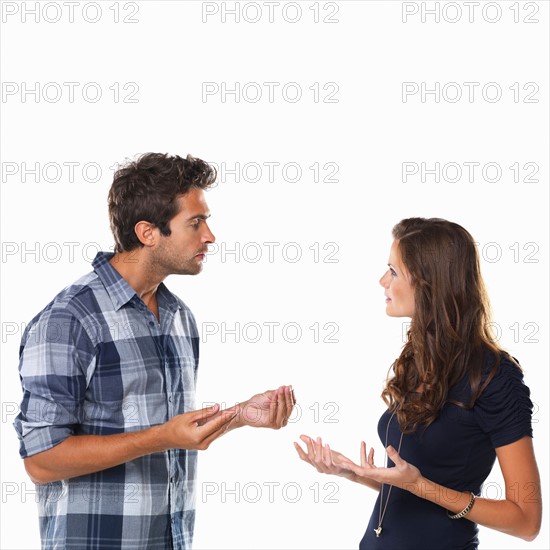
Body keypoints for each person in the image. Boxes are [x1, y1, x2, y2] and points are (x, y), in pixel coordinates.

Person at [14, 152, 295, 550]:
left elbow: (171, 433)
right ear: (148, 232)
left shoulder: (180, 317)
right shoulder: (70, 321)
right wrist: (161, 437)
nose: (210, 236)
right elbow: (41, 460)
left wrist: (241, 415)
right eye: (195, 223)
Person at [295, 217, 541, 549]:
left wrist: (420, 486)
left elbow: (526, 521)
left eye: (393, 272)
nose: (382, 281)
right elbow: (407, 484)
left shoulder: (495, 377)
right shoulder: (418, 360)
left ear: (429, 284)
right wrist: (352, 472)